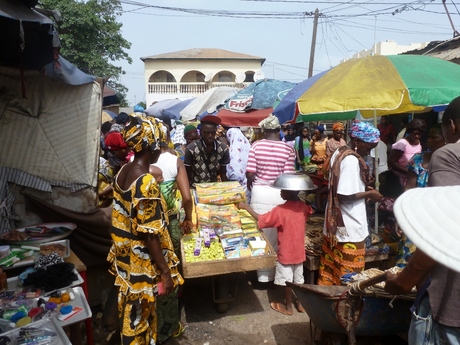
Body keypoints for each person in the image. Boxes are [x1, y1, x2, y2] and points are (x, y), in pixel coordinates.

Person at [385, 96, 460, 345]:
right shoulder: (419, 159)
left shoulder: (449, 156)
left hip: (450, 304)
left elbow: (446, 230)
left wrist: (404, 281)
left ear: (452, 125)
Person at [106, 115, 183, 344]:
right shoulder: (146, 181)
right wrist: (165, 273)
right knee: (139, 320)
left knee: (131, 314)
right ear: (151, 145)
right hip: (141, 266)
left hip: (124, 258)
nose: (161, 148)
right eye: (159, 143)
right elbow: (150, 235)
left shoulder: (122, 172)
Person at [318, 121, 383, 286]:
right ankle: (345, 306)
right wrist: (369, 193)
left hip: (336, 224)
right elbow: (344, 195)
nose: (369, 152)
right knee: (350, 276)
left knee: (332, 268)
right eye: (368, 147)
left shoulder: (339, 151)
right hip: (349, 224)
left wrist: (363, 187)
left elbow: (341, 184)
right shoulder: (351, 161)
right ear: (356, 142)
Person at [237, 176, 313, 315]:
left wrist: (246, 207)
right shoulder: (302, 207)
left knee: (287, 281)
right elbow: (309, 211)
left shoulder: (280, 210)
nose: (280, 192)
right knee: (299, 279)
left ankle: (288, 307)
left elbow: (262, 219)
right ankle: (301, 304)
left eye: (282, 190)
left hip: (286, 252)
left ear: (290, 192)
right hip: (299, 252)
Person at [151, 128, 193, 342]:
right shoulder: (174, 160)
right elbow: (187, 197)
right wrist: (188, 218)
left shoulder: (137, 165)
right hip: (170, 226)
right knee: (170, 269)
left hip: (147, 229)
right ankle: (169, 325)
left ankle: (150, 325)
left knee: (153, 271)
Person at [246, 114, 296, 284]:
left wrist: (249, 184)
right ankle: (276, 276)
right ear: (278, 130)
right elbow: (288, 176)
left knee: (261, 235)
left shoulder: (256, 146)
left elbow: (251, 173)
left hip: (260, 193)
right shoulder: (288, 149)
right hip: (278, 194)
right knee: (277, 236)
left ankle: (262, 276)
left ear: (265, 130)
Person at [184, 116, 230, 187]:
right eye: (207, 132)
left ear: (216, 131)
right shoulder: (191, 149)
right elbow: (187, 175)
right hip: (196, 188)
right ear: (201, 132)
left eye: (212, 132)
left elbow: (223, 173)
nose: (210, 135)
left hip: (213, 188)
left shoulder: (223, 149)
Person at [388, 118, 427, 190]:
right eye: (415, 134)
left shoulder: (418, 142)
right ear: (410, 132)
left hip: (413, 177)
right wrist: (408, 172)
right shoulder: (402, 143)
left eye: (419, 134)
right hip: (400, 178)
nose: (417, 136)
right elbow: (391, 161)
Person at [404, 124, 445, 190]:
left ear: (445, 139)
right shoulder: (417, 159)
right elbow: (409, 186)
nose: (429, 140)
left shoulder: (452, 160)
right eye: (429, 137)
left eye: (434, 137)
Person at [226, 127, 251, 202]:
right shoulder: (248, 146)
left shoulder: (234, 152)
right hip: (248, 186)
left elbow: (236, 174)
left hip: (237, 187)